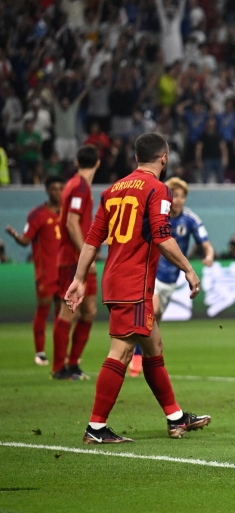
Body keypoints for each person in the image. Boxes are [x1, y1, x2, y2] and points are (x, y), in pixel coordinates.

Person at [66, 132, 210, 444]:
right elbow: (161, 236)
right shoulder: (158, 189)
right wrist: (188, 268)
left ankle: (175, 418)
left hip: (116, 278)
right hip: (134, 282)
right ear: (164, 157)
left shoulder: (112, 190)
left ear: (135, 158)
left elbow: (92, 240)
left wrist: (78, 279)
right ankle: (96, 427)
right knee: (121, 351)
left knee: (153, 347)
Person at [130, 178, 215, 377]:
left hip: (171, 278)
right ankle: (135, 359)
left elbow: (206, 243)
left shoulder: (190, 219)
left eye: (181, 196)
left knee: (153, 320)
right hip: (152, 273)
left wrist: (209, 256)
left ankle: (140, 354)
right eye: (174, 195)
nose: (178, 200)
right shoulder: (157, 216)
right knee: (153, 310)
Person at [52, 146, 100, 380]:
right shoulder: (79, 187)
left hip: (79, 258)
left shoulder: (75, 184)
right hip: (73, 259)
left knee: (89, 310)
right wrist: (85, 255)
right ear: (98, 163)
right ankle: (59, 368)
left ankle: (73, 365)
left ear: (76, 161)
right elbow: (72, 223)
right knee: (69, 311)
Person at [5, 176, 65, 365]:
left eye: (60, 188)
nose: (58, 192)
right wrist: (16, 236)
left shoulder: (68, 213)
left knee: (61, 313)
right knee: (43, 310)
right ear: (47, 191)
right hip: (46, 271)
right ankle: (40, 352)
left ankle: (59, 352)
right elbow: (25, 240)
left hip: (65, 271)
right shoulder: (37, 214)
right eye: (54, 189)